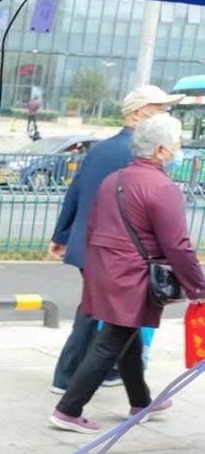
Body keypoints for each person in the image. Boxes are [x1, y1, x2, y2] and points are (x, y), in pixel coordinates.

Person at [50, 114, 205, 433]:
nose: (179, 150)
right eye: (177, 144)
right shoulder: (162, 187)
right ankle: (68, 409)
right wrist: (198, 288)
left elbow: (92, 227)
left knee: (127, 335)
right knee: (111, 341)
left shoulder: (114, 179)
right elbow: (177, 245)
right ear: (161, 150)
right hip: (133, 275)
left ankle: (141, 401)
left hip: (104, 269)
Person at [48, 86, 184, 396]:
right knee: (108, 318)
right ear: (137, 113)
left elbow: (76, 191)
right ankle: (72, 385)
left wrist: (61, 235)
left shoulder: (101, 148)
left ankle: (100, 380)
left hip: (90, 245)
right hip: (114, 251)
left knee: (105, 315)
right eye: (159, 108)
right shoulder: (136, 156)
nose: (165, 115)